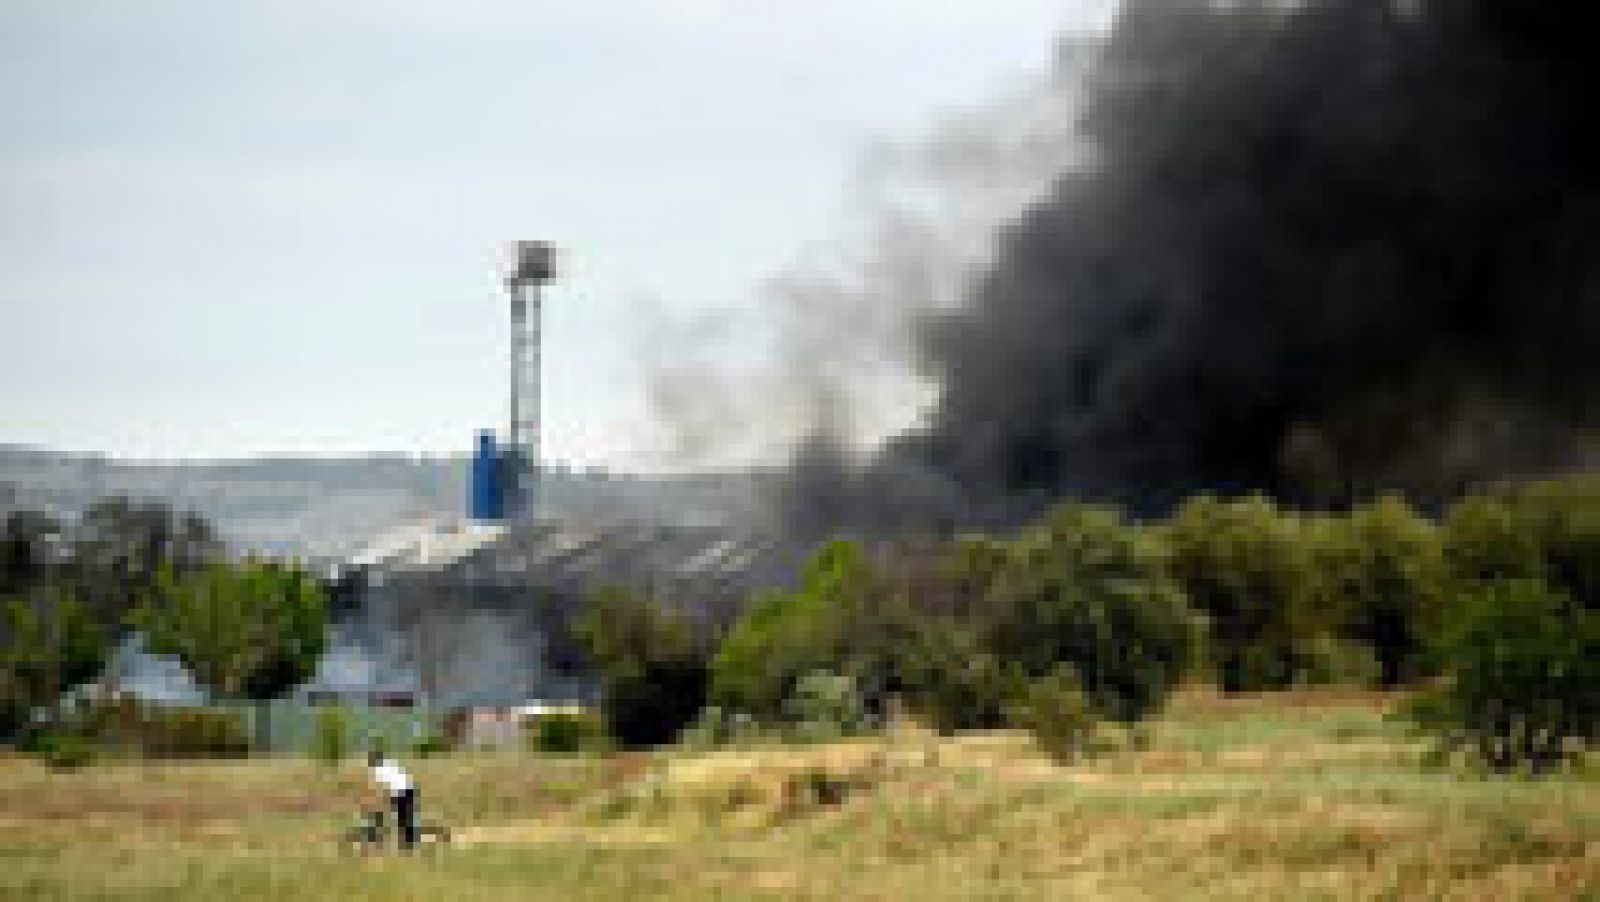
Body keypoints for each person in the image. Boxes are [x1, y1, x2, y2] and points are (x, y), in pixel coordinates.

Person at [368, 751, 418, 849]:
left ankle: (407, 839)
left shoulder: (379, 770)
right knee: (406, 815)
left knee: (402, 816)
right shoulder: (389, 764)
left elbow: (382, 787)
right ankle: (409, 838)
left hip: (400, 791)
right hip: (408, 788)